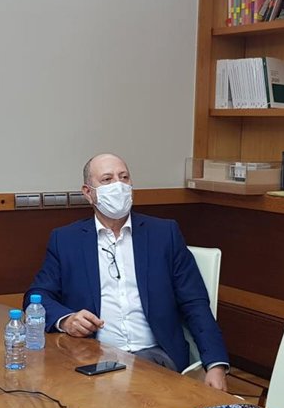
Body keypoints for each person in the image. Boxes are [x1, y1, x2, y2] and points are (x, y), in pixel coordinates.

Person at [26, 153, 230, 391]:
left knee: (123, 390)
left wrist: (216, 364)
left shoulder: (164, 234)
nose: (119, 185)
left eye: (124, 177)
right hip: (92, 356)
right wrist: (67, 320)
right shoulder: (66, 240)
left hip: (155, 356)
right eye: (107, 179)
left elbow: (195, 302)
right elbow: (36, 297)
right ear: (88, 192)